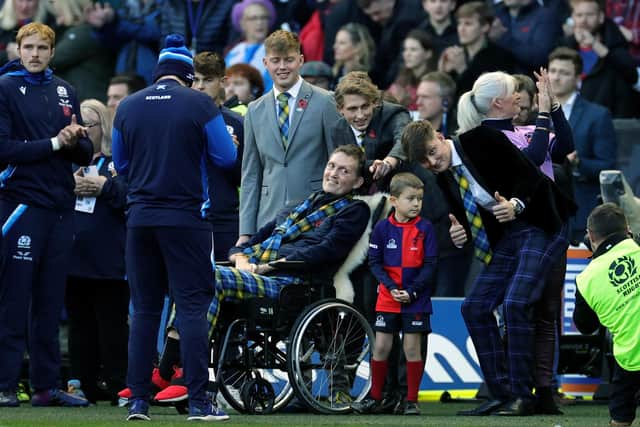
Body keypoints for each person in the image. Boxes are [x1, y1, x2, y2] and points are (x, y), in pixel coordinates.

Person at [401, 120, 575, 416]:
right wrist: (460, 236)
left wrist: (516, 204)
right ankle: (502, 394)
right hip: (511, 236)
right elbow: (464, 220)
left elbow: (529, 172)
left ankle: (523, 396)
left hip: (544, 221)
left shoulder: (480, 138)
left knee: (515, 303)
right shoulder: (443, 176)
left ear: (441, 136)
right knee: (474, 307)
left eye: (432, 151)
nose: (432, 162)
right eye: (424, 161)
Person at [111, 34, 237, 421]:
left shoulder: (128, 107)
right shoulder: (200, 103)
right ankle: (199, 402)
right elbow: (227, 157)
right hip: (188, 220)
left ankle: (138, 402)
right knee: (192, 309)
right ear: (187, 75)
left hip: (141, 220)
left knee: (146, 311)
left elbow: (122, 166)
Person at [0, 22, 93, 408]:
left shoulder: (65, 90)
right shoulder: (4, 88)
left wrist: (77, 140)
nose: (35, 54)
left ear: (52, 52)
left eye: (42, 48)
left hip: (59, 208)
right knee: (13, 299)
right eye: (28, 47)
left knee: (51, 302)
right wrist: (57, 142)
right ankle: (4, 385)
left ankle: (45, 386)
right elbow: (4, 148)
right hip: (21, 205)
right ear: (17, 50)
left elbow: (83, 155)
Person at [238, 29, 341, 245]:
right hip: (267, 218)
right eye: (276, 61)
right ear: (265, 63)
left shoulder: (325, 102)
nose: (282, 67)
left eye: (289, 60)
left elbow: (339, 160)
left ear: (301, 60)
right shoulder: (254, 110)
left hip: (315, 215)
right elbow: (250, 175)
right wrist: (245, 232)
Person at [351, 172, 437, 416]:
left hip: (415, 299)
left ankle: (411, 400)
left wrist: (411, 292)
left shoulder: (426, 228)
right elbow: (374, 263)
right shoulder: (381, 228)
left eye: (420, 199)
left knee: (412, 349)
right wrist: (390, 287)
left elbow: (430, 265)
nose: (416, 204)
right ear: (394, 201)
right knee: (380, 347)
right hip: (388, 297)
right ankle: (376, 397)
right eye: (411, 199)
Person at [65, 99, 128, 405]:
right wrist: (68, 184)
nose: (84, 131)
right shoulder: (67, 165)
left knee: (111, 324)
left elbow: (130, 197)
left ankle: (118, 384)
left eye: (89, 124)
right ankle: (81, 382)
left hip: (109, 260)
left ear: (103, 127)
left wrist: (106, 187)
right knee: (80, 325)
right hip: (72, 258)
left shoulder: (118, 165)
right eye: (79, 125)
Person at [573, 203, 640, 427]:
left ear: (590, 236)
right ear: (627, 229)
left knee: (621, 414)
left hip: (632, 360)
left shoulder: (586, 280)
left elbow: (585, 326)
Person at [547, 46, 617, 242]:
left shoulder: (597, 115)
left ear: (578, 78)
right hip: (542, 212)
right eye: (552, 71)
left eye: (564, 72)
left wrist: (578, 162)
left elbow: (607, 166)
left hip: (578, 211)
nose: (556, 77)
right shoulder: (536, 113)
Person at [331, 71, 410, 194]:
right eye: (353, 109)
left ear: (374, 103)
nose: (360, 115)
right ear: (340, 109)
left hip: (403, 192)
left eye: (365, 107)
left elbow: (405, 139)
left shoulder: (393, 114)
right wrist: (372, 165)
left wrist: (388, 163)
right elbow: (346, 166)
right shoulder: (338, 130)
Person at [559, 0, 638, 118]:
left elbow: (632, 75)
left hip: (611, 117)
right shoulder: (565, 46)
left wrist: (596, 46)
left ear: (601, 17)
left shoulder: (615, 42)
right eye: (579, 15)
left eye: (590, 15)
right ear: (572, 18)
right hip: (571, 117)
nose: (584, 20)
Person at [439, 1, 515, 97]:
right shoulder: (456, 54)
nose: (461, 29)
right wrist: (443, 73)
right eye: (459, 24)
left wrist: (462, 70)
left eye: (468, 24)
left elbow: (484, 97)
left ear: (485, 27)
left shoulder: (500, 57)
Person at [225, 0, 277, 93]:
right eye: (253, 18)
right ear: (242, 23)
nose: (259, 22)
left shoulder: (277, 52)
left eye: (263, 17)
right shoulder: (233, 53)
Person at [387, 30, 436, 111]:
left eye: (413, 50)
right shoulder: (400, 79)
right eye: (405, 49)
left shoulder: (434, 82)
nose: (407, 54)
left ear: (428, 54)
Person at [415, 71, 457, 137]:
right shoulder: (413, 131)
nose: (418, 102)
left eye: (425, 97)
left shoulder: (457, 134)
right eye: (418, 96)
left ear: (445, 101)